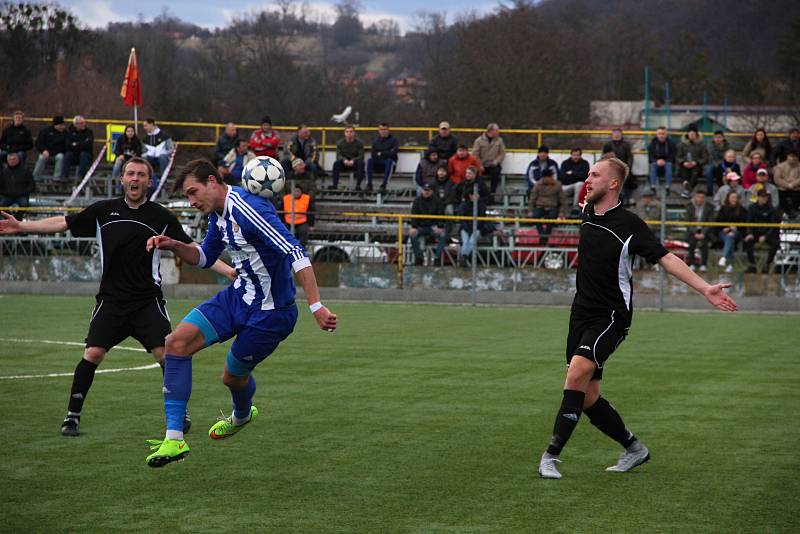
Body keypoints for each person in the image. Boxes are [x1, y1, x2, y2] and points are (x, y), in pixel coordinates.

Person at [0, 157, 236, 437]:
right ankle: (72, 416)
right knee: (93, 353)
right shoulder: (103, 211)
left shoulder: (161, 217)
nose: (134, 179)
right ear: (122, 179)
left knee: (167, 355)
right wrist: (22, 227)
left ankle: (179, 410)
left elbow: (194, 248)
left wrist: (229, 270)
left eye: (141, 175)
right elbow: (64, 223)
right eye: (130, 174)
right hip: (111, 301)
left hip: (147, 302)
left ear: (150, 182)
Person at [537, 157, 737, 480]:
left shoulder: (630, 225)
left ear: (614, 183)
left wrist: (705, 289)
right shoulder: (587, 211)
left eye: (595, 175)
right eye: (588, 174)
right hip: (580, 314)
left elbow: (667, 258)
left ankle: (550, 457)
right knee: (587, 397)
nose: (588, 179)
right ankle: (634, 448)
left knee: (575, 377)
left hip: (612, 316)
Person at [143, 159, 337, 467]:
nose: (192, 202)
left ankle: (242, 414)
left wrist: (316, 305)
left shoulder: (249, 210)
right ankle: (174, 439)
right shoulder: (218, 216)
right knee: (175, 343)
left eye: (194, 193)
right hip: (237, 298)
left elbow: (296, 253)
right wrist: (174, 245)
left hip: (271, 314)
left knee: (232, 378)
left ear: (212, 181)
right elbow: (205, 256)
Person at [743, 188, 780, 274]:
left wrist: (765, 236)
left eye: (766, 197)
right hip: (755, 232)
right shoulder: (752, 207)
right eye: (763, 197)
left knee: (776, 243)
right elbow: (749, 221)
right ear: (758, 197)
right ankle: (752, 265)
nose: (765, 199)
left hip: (767, 233)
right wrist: (750, 233)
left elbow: (773, 225)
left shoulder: (771, 209)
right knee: (747, 241)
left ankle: (767, 264)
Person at [410, 183, 446, 265]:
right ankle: (418, 257)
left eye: (428, 190)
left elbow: (441, 214)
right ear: (422, 190)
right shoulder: (417, 200)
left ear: (432, 191)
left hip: (433, 226)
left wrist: (440, 226)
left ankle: (437, 258)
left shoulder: (437, 201)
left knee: (443, 235)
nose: (426, 192)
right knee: (412, 235)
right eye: (424, 190)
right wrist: (414, 227)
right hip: (421, 226)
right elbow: (414, 215)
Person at [528, 167, 566, 245]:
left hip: (552, 206)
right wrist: (530, 210)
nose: (550, 178)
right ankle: (543, 235)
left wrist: (561, 212)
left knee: (552, 217)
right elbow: (532, 198)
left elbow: (562, 200)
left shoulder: (558, 185)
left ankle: (544, 237)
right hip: (540, 206)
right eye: (548, 177)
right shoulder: (538, 185)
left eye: (550, 176)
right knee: (536, 216)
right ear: (544, 177)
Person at [472, 123, 506, 200]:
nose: (498, 132)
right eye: (497, 130)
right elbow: (475, 155)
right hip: (481, 165)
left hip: (493, 165)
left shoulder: (500, 140)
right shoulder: (479, 141)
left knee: (496, 172)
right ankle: (481, 194)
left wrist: (497, 161)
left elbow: (502, 153)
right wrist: (479, 165)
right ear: (491, 131)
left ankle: (492, 194)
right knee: (476, 175)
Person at [684, 188, 715, 271]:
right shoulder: (689, 206)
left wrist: (703, 233)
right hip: (692, 230)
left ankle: (703, 264)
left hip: (705, 230)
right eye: (698, 197)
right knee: (691, 243)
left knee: (704, 243)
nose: (700, 199)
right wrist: (695, 232)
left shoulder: (710, 207)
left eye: (702, 197)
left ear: (704, 198)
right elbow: (687, 222)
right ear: (695, 197)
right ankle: (692, 264)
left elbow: (711, 222)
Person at [716, 191, 747, 273]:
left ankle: (723, 257)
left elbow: (744, 223)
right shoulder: (723, 209)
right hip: (724, 232)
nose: (734, 199)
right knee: (730, 239)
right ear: (728, 198)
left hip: (737, 232)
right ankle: (730, 265)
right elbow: (718, 222)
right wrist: (725, 228)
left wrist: (735, 228)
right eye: (732, 197)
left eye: (735, 198)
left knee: (730, 237)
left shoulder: (742, 210)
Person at [677, 125, 709, 198]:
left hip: (696, 166)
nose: (691, 135)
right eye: (690, 133)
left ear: (696, 135)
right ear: (687, 134)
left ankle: (687, 190)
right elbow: (678, 157)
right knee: (683, 171)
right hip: (684, 165)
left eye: (693, 134)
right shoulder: (682, 145)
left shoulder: (702, 145)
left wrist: (696, 162)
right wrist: (683, 162)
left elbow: (705, 158)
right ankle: (686, 185)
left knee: (695, 173)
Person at [366, 122, 399, 192]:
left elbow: (393, 153)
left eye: (385, 129)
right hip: (378, 163)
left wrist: (381, 153)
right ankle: (369, 184)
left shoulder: (394, 140)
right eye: (381, 129)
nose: (383, 131)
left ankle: (384, 185)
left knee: (389, 161)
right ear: (378, 131)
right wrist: (386, 153)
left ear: (388, 130)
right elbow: (373, 154)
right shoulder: (375, 141)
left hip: (389, 164)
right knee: (370, 160)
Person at [32, 115, 67, 180]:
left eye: (63, 125)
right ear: (55, 125)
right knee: (41, 157)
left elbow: (66, 147)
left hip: (58, 154)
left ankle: (56, 178)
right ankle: (35, 178)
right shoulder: (45, 131)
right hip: (46, 153)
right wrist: (43, 150)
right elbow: (38, 143)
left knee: (60, 157)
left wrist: (56, 151)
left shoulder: (65, 133)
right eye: (60, 125)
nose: (62, 127)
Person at [61, 115, 94, 182]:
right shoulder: (70, 133)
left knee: (84, 154)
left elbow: (88, 145)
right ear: (75, 124)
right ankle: (64, 176)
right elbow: (68, 146)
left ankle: (81, 176)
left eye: (83, 123)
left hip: (85, 156)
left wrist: (76, 144)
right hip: (74, 155)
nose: (83, 125)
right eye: (81, 123)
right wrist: (81, 144)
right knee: (68, 155)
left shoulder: (89, 132)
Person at [142, 118, 174, 185]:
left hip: (163, 158)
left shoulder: (165, 136)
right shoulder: (145, 139)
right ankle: (146, 179)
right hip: (151, 158)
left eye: (146, 125)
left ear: (151, 124)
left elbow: (171, 149)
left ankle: (163, 180)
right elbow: (143, 151)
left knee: (163, 157)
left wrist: (164, 153)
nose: (144, 128)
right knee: (144, 158)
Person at [331, 126, 365, 190]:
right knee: (336, 163)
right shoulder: (340, 143)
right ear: (344, 133)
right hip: (344, 163)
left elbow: (361, 156)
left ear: (354, 133)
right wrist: (344, 160)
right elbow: (338, 155)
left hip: (355, 163)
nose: (349, 133)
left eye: (351, 132)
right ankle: (334, 185)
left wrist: (353, 160)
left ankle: (358, 185)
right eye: (347, 132)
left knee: (361, 163)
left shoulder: (359, 143)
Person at [282, 183, 314, 247]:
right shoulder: (286, 198)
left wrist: (311, 225)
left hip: (302, 222)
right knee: (283, 231)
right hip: (288, 221)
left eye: (298, 191)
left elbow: (311, 212)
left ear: (301, 192)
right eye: (295, 191)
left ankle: (302, 249)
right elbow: (281, 210)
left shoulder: (306, 198)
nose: (296, 193)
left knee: (303, 231)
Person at [647, 126, 677, 192]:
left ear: (666, 134)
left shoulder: (671, 143)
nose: (661, 135)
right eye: (659, 134)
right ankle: (653, 186)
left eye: (663, 133)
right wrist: (657, 161)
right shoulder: (652, 143)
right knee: (653, 165)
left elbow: (673, 156)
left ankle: (668, 186)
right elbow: (650, 156)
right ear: (656, 134)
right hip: (656, 162)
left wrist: (665, 161)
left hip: (667, 162)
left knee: (669, 165)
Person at [773, 150, 800, 219]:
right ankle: (786, 213)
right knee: (780, 196)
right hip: (783, 189)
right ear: (787, 157)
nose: (792, 158)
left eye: (794, 156)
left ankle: (795, 213)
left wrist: (793, 184)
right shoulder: (780, 166)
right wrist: (787, 184)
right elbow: (777, 179)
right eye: (790, 156)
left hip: (796, 189)